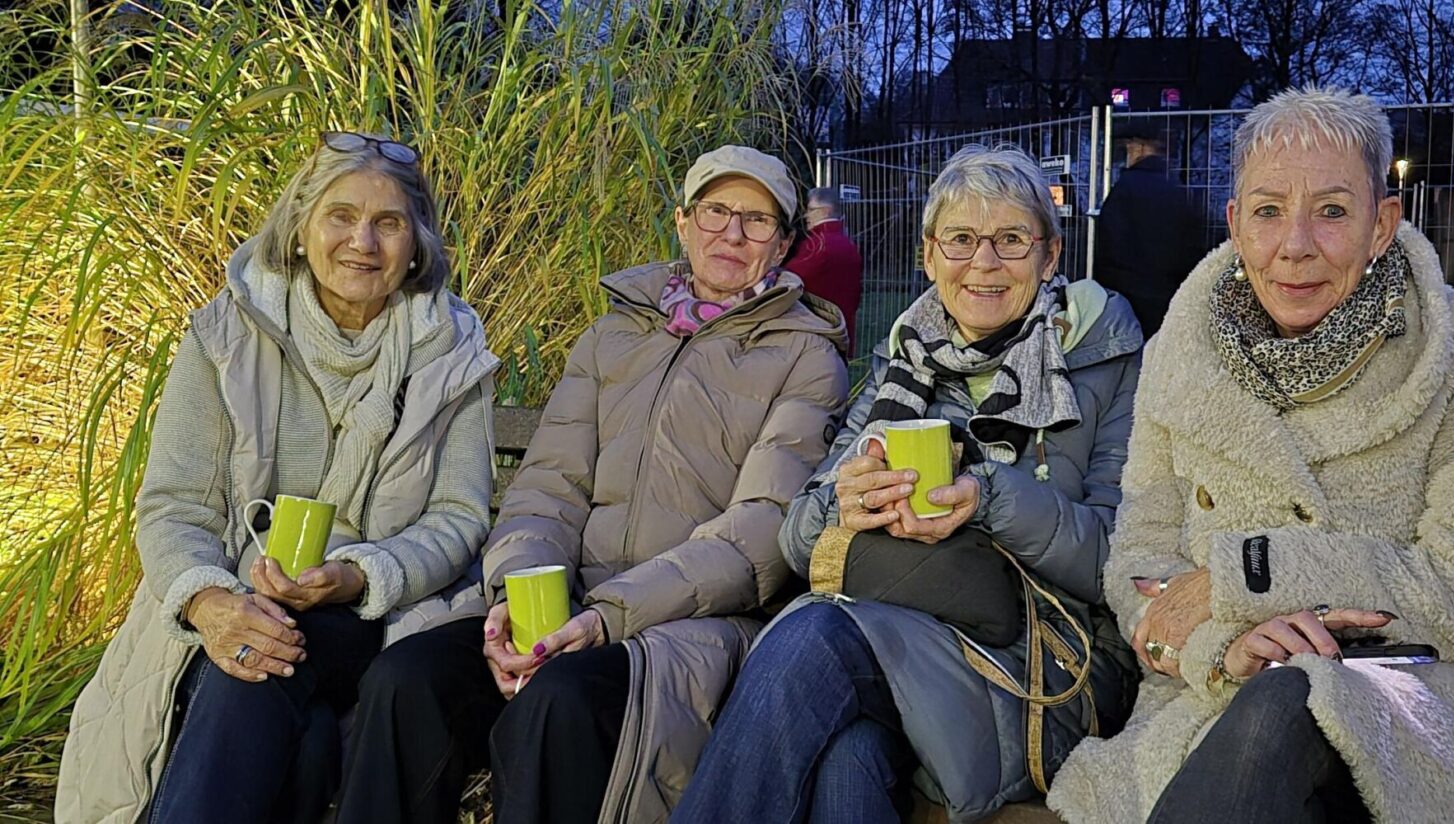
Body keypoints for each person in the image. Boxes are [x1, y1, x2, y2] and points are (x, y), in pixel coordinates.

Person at [1046, 87, 1454, 824]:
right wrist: (1224, 642)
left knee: (1291, 703)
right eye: (1267, 211)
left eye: (1331, 211)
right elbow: (1140, 558)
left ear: (1382, 224)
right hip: (1214, 695)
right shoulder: (1179, 358)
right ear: (1234, 224)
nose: (1294, 245)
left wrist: (1246, 576)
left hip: (1434, 689)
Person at [333, 144, 850, 824]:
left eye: (757, 221)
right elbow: (548, 488)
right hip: (565, 607)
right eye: (716, 211)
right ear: (683, 221)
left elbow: (754, 537)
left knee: (561, 702)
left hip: (687, 627)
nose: (731, 232)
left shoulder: (806, 354)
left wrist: (606, 617)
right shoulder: (611, 335)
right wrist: (523, 599)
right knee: (405, 681)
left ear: (783, 244)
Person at [673, 144, 1143, 824]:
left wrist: (989, 497)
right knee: (849, 763)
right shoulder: (908, 360)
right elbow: (801, 539)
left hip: (1044, 666)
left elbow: (1118, 560)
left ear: (1050, 255)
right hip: (898, 635)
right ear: (929, 256)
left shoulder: (1107, 358)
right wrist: (845, 499)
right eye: (960, 240)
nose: (983, 263)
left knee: (812, 642)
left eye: (1011, 240)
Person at [56, 132, 499, 824]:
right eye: (341, 216)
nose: (364, 242)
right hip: (237, 591)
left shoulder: (453, 351)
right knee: (297, 717)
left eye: (388, 223)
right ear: (300, 229)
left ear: (418, 244)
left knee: (260, 657)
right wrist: (209, 601)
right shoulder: (228, 335)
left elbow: (458, 516)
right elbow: (175, 506)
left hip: (376, 613)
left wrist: (359, 573)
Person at [1093, 121, 1209, 338]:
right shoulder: (1177, 192)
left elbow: (1109, 247)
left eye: (1128, 147)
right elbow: (1192, 251)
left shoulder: (1122, 191)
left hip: (1126, 302)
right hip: (1168, 300)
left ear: (1139, 148)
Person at [785, 185, 864, 352]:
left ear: (826, 211)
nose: (806, 215)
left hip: (816, 336)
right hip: (842, 332)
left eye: (811, 209)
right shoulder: (849, 245)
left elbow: (788, 279)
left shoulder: (817, 245)